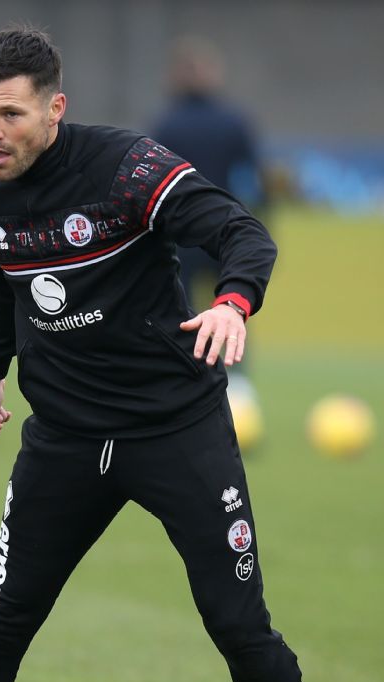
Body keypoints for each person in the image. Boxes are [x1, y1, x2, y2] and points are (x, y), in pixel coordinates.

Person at [0, 26, 316, 682]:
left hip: (175, 427)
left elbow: (243, 232)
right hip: (65, 441)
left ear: (54, 110)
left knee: (238, 629)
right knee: (1, 627)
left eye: (11, 114)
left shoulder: (126, 168)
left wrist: (232, 302)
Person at [151, 37, 267, 436]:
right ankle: (241, 394)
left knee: (179, 318)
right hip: (223, 235)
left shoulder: (167, 123)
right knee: (232, 310)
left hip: (180, 240)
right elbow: (255, 181)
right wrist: (255, 232)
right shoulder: (234, 121)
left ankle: (180, 392)